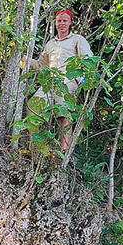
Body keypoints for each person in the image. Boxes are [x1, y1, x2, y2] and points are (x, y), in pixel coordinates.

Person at [30, 9, 94, 152]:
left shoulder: (78, 39)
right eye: (59, 21)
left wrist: (81, 80)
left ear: (70, 23)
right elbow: (42, 66)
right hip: (51, 82)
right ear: (55, 23)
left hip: (67, 82)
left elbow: (89, 60)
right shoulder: (50, 44)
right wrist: (26, 61)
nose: (62, 23)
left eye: (65, 21)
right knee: (32, 107)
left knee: (64, 116)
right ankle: (35, 147)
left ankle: (63, 152)